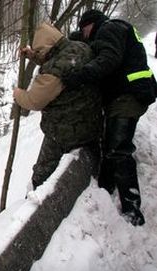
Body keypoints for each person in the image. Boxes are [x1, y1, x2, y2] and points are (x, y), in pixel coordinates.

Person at [63, 10, 157, 226]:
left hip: (128, 95)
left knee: (119, 149)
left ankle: (132, 210)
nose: (83, 34)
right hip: (127, 93)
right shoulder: (111, 30)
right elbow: (93, 44)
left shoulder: (109, 28)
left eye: (84, 29)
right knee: (111, 144)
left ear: (92, 24)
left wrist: (80, 76)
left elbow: (108, 58)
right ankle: (106, 187)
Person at [14, 22, 102, 193]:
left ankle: (36, 195)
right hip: (92, 119)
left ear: (47, 47)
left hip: (66, 129)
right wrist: (33, 55)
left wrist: (18, 94)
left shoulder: (54, 72)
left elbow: (34, 101)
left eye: (40, 50)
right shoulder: (80, 47)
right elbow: (55, 57)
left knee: (43, 169)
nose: (40, 54)